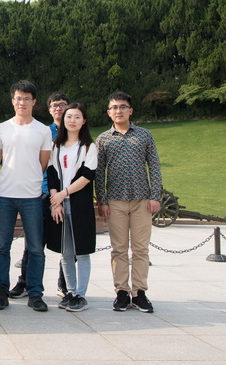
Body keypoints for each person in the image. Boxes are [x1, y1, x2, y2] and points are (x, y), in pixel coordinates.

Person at [0, 80, 52, 312]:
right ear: (12, 101)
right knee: (1, 247)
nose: (22, 102)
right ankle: (1, 293)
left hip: (32, 196)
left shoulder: (42, 130)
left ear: (34, 101)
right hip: (6, 195)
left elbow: (42, 164)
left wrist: (30, 179)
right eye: (18, 98)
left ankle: (35, 293)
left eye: (26, 98)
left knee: (36, 248)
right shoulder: (2, 128)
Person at [96, 92, 162, 313]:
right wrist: (102, 201)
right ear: (109, 112)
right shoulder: (103, 139)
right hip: (115, 201)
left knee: (141, 249)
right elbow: (99, 173)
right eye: (114, 107)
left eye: (123, 107)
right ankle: (122, 292)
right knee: (119, 249)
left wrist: (155, 196)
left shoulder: (144, 135)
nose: (119, 111)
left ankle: (139, 292)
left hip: (142, 200)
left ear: (130, 110)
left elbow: (154, 166)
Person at [9, 92, 70, 299]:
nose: (59, 108)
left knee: (68, 244)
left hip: (70, 193)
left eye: (63, 104)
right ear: (49, 109)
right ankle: (25, 282)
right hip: (42, 192)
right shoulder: (43, 131)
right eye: (55, 105)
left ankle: (66, 284)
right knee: (34, 242)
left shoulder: (76, 132)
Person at [47, 103, 97, 312]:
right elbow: (51, 173)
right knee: (66, 252)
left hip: (79, 203)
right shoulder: (56, 146)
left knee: (81, 251)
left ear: (83, 121)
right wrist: (55, 201)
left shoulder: (89, 147)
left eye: (77, 117)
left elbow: (87, 175)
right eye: (69, 116)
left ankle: (80, 295)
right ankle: (70, 291)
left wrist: (63, 193)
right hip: (60, 204)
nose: (72, 120)